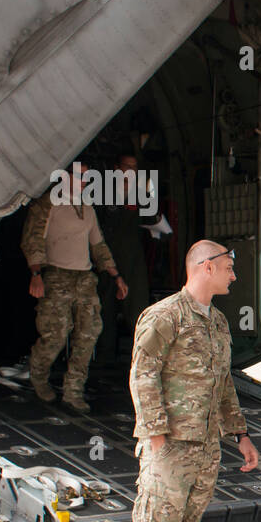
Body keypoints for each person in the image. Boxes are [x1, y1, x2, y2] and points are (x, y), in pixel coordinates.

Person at [110, 240, 260, 522]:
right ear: (207, 267)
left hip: (205, 449)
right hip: (171, 452)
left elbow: (223, 384)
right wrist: (156, 436)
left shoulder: (216, 322)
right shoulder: (164, 315)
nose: (234, 275)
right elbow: (143, 373)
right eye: (229, 268)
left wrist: (240, 434)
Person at [20, 161, 128, 411]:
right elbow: (33, 239)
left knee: (89, 332)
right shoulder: (49, 203)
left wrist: (116, 276)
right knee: (55, 334)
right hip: (57, 275)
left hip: (84, 277)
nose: (84, 180)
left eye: (87, 176)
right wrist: (36, 273)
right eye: (80, 176)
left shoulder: (86, 206)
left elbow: (98, 245)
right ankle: (38, 376)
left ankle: (73, 389)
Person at [95, 153, 152, 364]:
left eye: (134, 168)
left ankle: (141, 359)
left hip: (132, 258)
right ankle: (105, 357)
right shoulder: (103, 193)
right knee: (105, 308)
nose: (130, 171)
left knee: (137, 307)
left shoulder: (140, 195)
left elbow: (151, 219)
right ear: (116, 168)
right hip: (107, 258)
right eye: (127, 167)